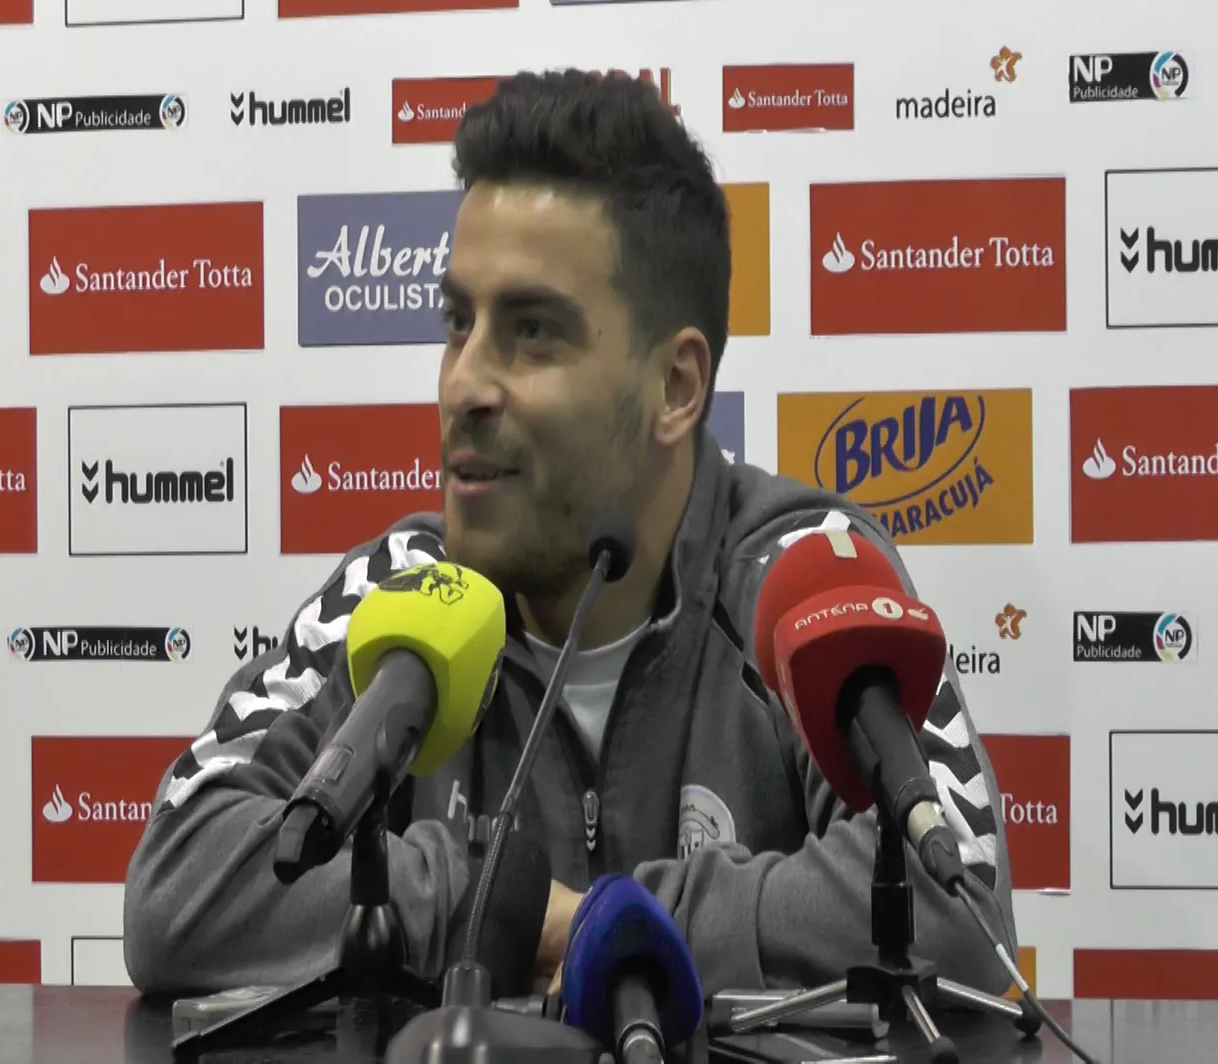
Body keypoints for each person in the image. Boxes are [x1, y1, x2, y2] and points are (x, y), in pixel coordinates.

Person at [123, 68, 1018, 1000]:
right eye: (458, 323)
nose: (463, 384)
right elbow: (177, 890)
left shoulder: (805, 577)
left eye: (533, 333)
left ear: (675, 387)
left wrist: (611, 926)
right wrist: (490, 900)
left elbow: (955, 905)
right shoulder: (400, 594)